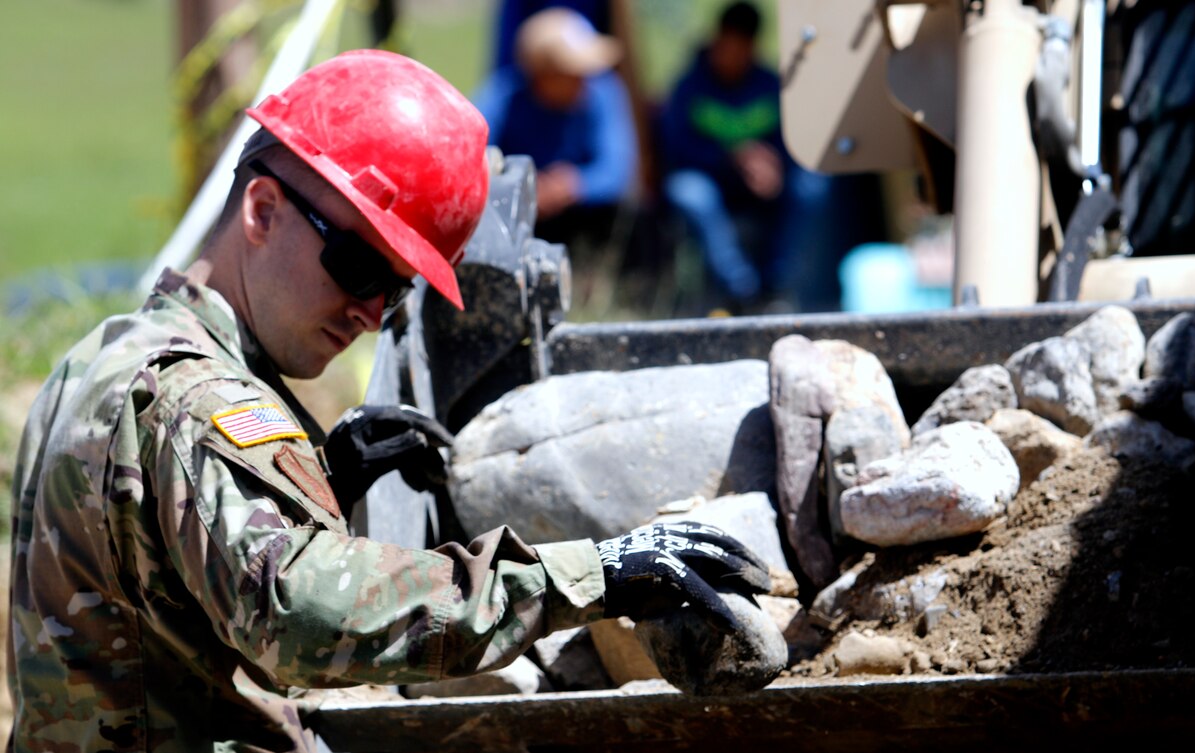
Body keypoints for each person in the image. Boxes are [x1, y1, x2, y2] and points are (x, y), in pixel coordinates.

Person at [7, 51, 769, 751]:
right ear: (263, 211)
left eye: (399, 289)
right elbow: (300, 618)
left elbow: (161, 585)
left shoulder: (106, 352)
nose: (373, 313)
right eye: (362, 268)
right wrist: (590, 575)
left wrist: (318, 483)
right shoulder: (198, 403)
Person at [659, 1, 831, 313]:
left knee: (813, 184)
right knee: (687, 191)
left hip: (766, 187)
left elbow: (797, 142)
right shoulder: (689, 87)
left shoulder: (771, 85)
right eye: (728, 45)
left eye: (743, 47)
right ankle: (741, 289)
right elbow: (677, 149)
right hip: (713, 182)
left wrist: (775, 164)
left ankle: (777, 286)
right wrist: (731, 158)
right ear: (717, 40)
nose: (733, 55)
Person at [472, 7, 638, 247]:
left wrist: (573, 185)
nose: (582, 80)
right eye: (571, 73)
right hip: (515, 217)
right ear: (541, 74)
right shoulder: (503, 99)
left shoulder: (604, 91)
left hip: (586, 216)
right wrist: (521, 187)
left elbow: (617, 170)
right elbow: (475, 157)